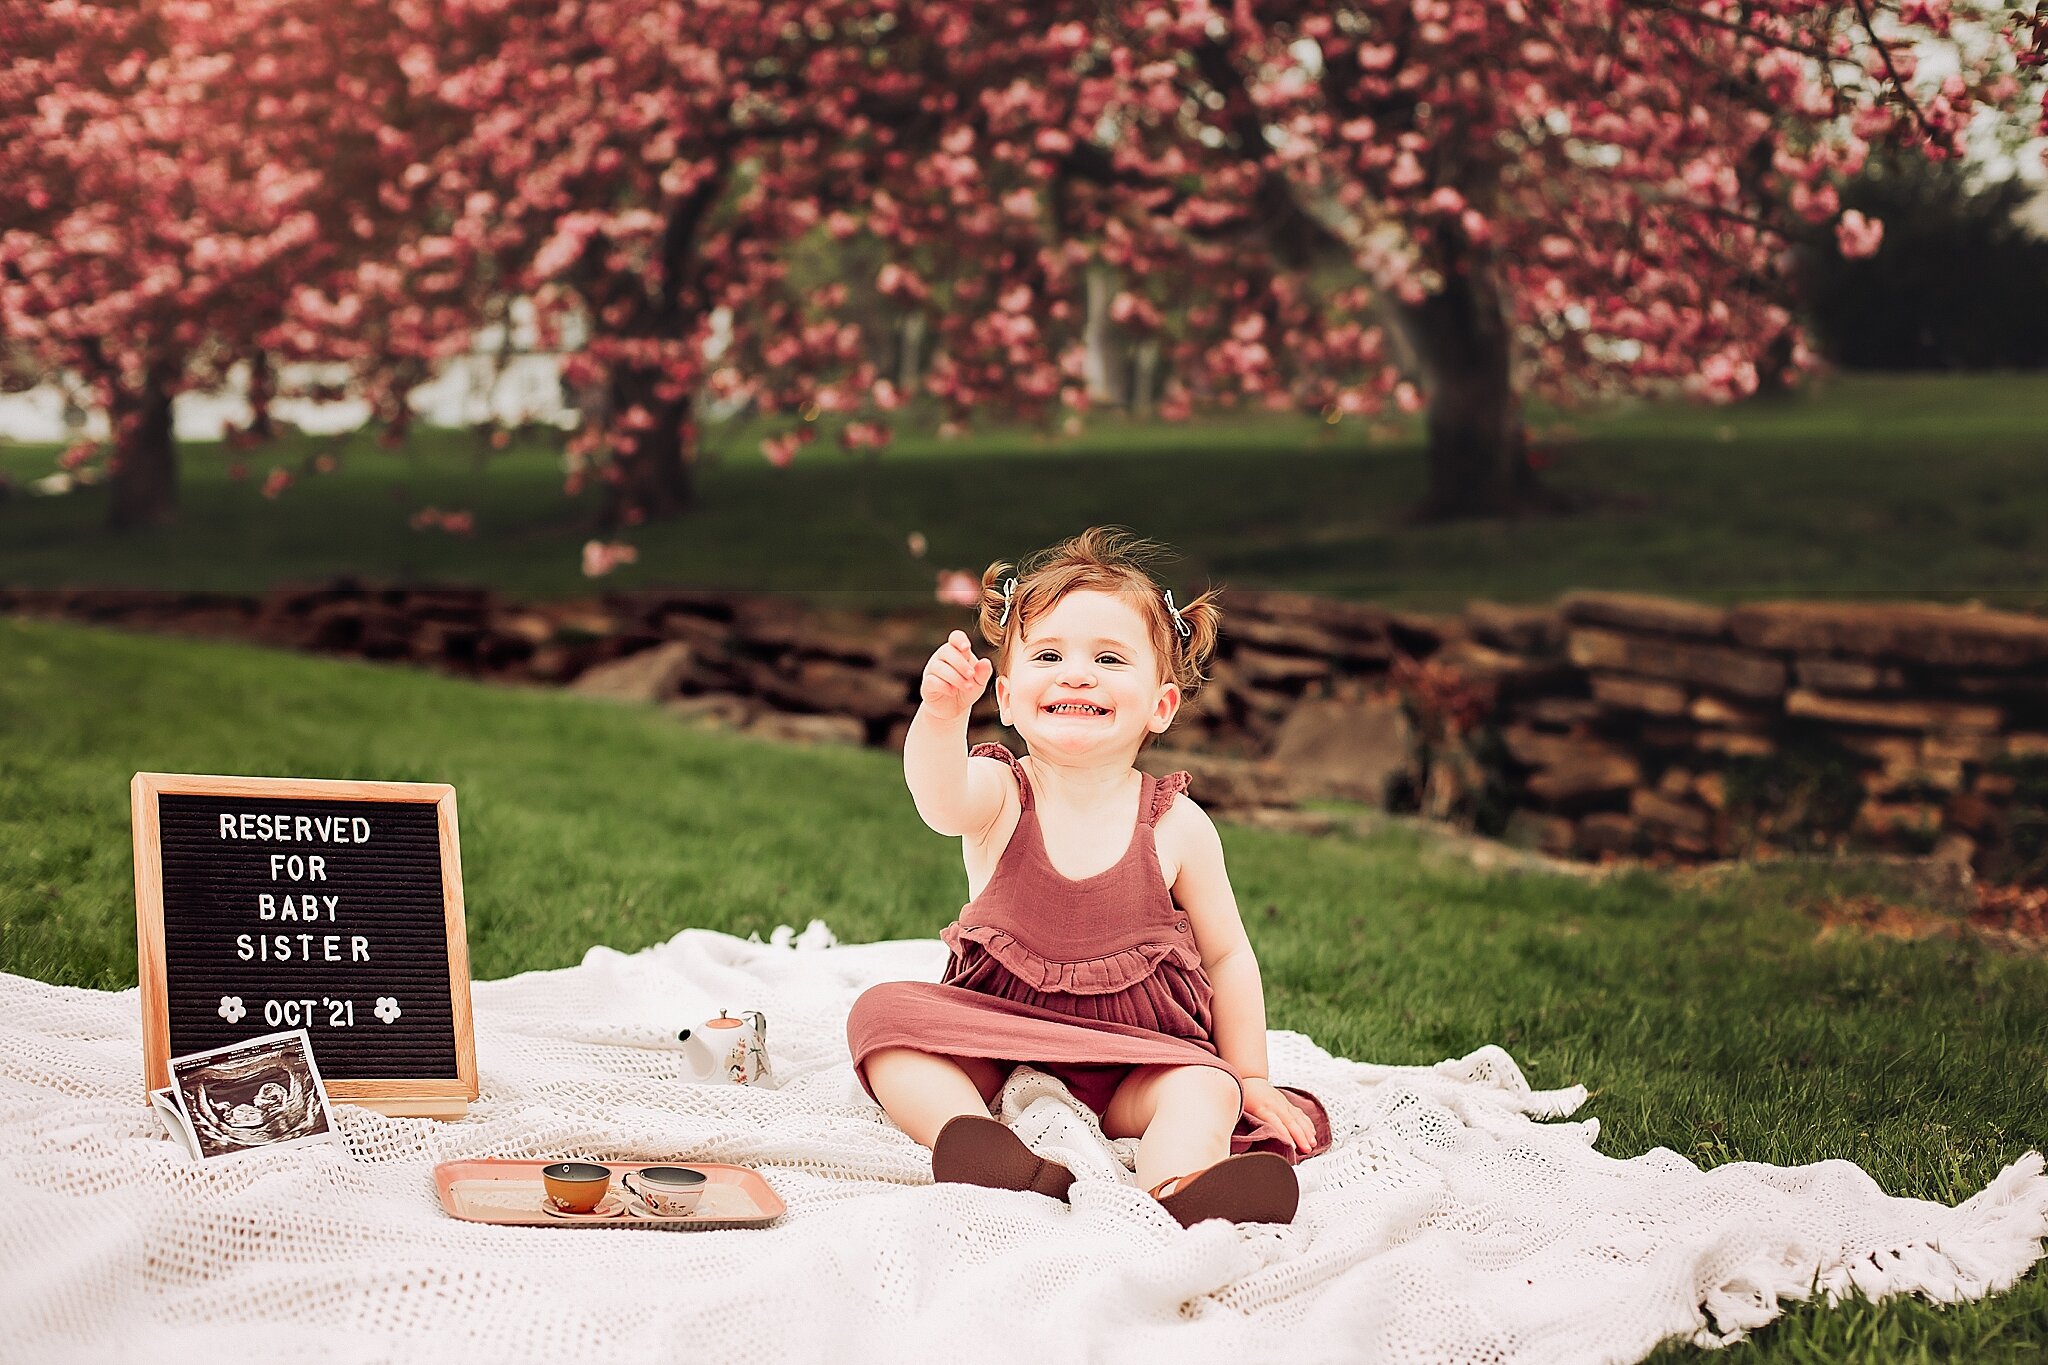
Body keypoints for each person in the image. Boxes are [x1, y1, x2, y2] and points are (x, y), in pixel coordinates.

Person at [846, 527, 1332, 1227]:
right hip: (999, 1034)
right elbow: (938, 798)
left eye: (1108, 657)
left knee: (1205, 1087)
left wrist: (1249, 1073)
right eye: (1049, 655)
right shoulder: (1000, 792)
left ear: (1160, 704)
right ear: (1008, 698)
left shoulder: (1177, 824)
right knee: (881, 1017)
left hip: (1140, 1053)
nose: (1077, 674)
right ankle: (982, 1144)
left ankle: (1182, 1185)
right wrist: (940, 717)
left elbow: (1228, 954)